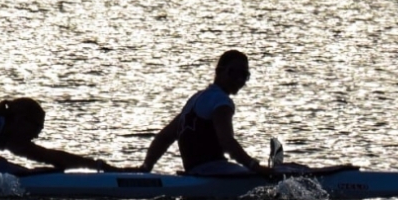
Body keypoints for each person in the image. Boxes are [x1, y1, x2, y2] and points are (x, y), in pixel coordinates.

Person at [138, 50, 353, 178]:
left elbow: (166, 137)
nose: (239, 80)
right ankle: (335, 175)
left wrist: (146, 168)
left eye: (245, 75)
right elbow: (227, 143)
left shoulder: (197, 98)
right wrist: (255, 167)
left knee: (282, 169)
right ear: (219, 71)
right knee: (289, 171)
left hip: (198, 171)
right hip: (212, 172)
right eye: (234, 73)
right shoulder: (221, 102)